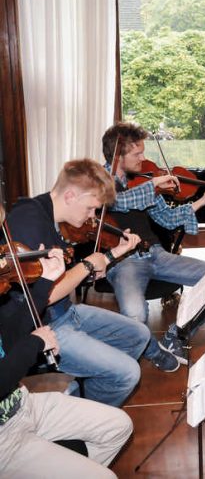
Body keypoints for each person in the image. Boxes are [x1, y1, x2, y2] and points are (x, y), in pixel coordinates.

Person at [6, 158, 151, 407]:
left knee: (139, 335)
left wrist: (111, 255)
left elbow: (66, 276)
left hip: (65, 313)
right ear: (71, 195)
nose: (92, 217)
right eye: (90, 208)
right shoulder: (27, 221)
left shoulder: (50, 213)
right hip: (42, 327)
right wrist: (87, 266)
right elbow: (45, 295)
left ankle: (82, 393)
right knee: (127, 373)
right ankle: (82, 421)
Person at [0, 207, 132, 478]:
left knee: (119, 425)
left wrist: (44, 282)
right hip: (3, 440)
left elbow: (8, 340)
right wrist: (35, 343)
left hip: (22, 404)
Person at [102, 122, 205, 372]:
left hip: (156, 254)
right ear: (118, 156)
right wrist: (154, 185)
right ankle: (153, 351)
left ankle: (176, 336)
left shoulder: (142, 182)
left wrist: (203, 200)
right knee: (135, 316)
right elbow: (117, 202)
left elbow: (167, 219)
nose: (143, 158)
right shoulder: (98, 182)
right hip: (123, 262)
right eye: (137, 154)